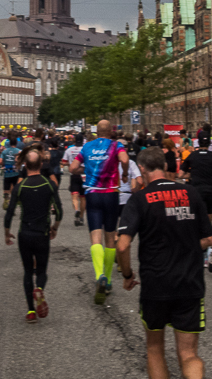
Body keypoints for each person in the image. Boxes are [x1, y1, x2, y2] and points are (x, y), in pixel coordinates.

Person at [117, 147, 212, 379]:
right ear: (164, 165)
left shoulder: (139, 199)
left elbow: (122, 245)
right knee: (189, 354)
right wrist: (187, 245)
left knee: (154, 349)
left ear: (142, 168)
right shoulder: (190, 193)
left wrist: (128, 275)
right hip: (189, 283)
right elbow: (209, 238)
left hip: (155, 284)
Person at [69, 118, 131, 304]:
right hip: (111, 194)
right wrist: (125, 172)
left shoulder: (87, 147)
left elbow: (72, 168)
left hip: (93, 194)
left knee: (95, 237)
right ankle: (109, 280)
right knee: (110, 237)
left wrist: (85, 169)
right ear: (111, 131)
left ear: (96, 131)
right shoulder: (116, 145)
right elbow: (125, 159)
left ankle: (99, 275)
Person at [4, 148, 63, 323]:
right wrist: (55, 227)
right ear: (41, 164)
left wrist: (7, 233)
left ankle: (30, 311)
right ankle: (39, 288)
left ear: (25, 165)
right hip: (42, 232)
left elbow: (10, 213)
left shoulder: (20, 187)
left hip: (25, 233)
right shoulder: (49, 184)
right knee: (42, 270)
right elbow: (59, 211)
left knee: (28, 271)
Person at [180, 131, 212, 270]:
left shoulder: (192, 156)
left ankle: (202, 251)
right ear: (210, 143)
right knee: (209, 220)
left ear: (198, 143)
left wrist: (191, 174)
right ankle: (211, 250)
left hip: (196, 192)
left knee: (198, 221)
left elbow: (181, 174)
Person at [62, 133, 86, 226]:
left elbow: (64, 162)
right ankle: (81, 217)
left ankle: (77, 209)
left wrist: (70, 164)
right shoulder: (86, 150)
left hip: (74, 175)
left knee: (74, 196)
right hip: (84, 174)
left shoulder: (69, 150)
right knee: (83, 197)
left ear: (75, 140)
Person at [1, 134, 23, 211]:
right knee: (16, 188)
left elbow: (0, 161)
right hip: (16, 172)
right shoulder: (19, 151)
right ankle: (15, 201)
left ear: (9, 143)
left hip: (7, 172)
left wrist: (4, 163)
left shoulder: (4, 151)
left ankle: (6, 200)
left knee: (6, 187)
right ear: (16, 143)